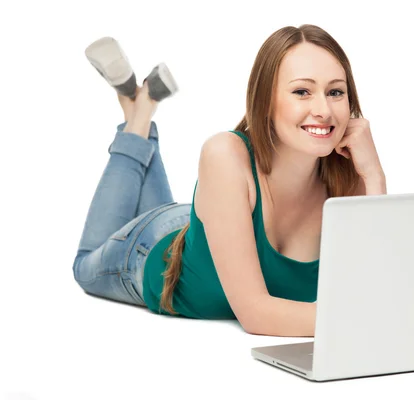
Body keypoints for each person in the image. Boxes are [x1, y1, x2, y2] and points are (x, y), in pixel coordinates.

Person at [72, 24, 387, 337]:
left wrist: (374, 174)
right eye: (302, 91)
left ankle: (138, 105)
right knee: (84, 265)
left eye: (335, 92)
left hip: (214, 219)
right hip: (146, 251)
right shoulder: (224, 155)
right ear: (265, 102)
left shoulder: (350, 180)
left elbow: (376, 290)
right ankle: (139, 115)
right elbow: (255, 314)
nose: (324, 110)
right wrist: (366, 322)